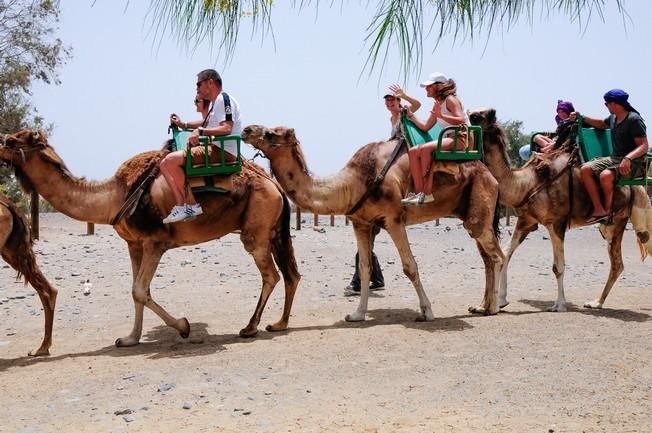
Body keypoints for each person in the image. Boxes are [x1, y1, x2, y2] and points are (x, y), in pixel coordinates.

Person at [345, 85, 421, 294]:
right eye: (387, 102)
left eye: (392, 101)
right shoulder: (391, 120)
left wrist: (404, 96)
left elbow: (417, 105)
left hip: (404, 155)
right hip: (396, 153)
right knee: (367, 233)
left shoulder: (405, 112)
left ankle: (360, 281)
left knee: (366, 232)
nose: (390, 104)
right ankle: (373, 278)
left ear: (398, 103)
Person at [161, 69, 242, 224]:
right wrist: (183, 124)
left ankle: (190, 204)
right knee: (164, 163)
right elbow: (205, 123)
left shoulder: (223, 99)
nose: (197, 88)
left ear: (210, 82)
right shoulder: (215, 103)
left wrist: (201, 132)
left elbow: (226, 128)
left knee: (170, 160)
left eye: (199, 84)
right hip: (216, 148)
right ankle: (181, 206)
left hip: (222, 151)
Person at [573, 89, 648, 224]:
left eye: (606, 103)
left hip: (634, 163)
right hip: (615, 158)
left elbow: (644, 146)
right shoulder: (613, 118)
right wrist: (582, 118)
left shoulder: (634, 120)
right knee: (585, 169)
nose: (606, 106)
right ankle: (599, 209)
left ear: (614, 104)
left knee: (605, 176)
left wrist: (628, 158)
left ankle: (608, 211)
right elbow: (602, 124)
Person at [401, 72, 470, 206]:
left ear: (439, 86)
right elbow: (426, 127)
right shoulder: (438, 105)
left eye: (429, 86)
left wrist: (442, 116)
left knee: (426, 149)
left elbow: (461, 119)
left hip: (460, 138)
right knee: (414, 151)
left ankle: (427, 194)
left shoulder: (450, 99)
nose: (426, 89)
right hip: (449, 137)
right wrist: (411, 116)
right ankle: (419, 193)